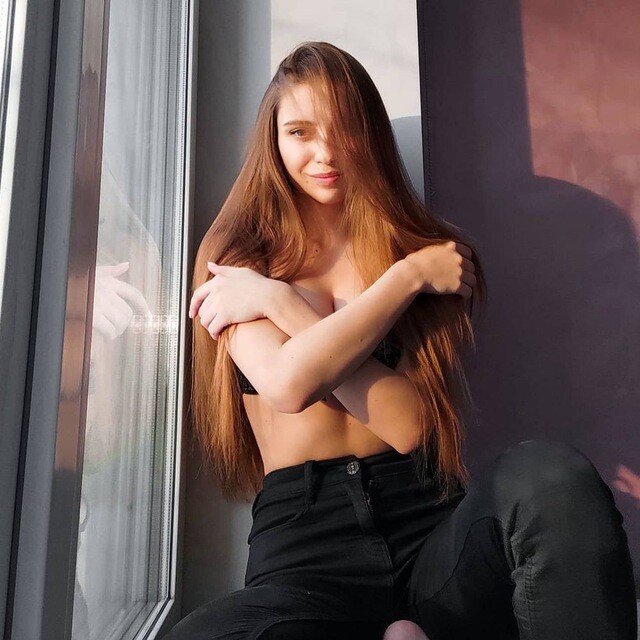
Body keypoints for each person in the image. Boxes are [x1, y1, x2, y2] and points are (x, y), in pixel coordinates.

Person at [162, 42, 637, 640]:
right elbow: (287, 385)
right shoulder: (240, 262)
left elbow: (411, 426)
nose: (324, 153)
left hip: (429, 528)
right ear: (273, 141)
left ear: (371, 134)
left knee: (550, 477)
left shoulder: (413, 254)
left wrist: (314, 298)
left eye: (344, 129)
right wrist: (395, 284)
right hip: (306, 555)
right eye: (300, 132)